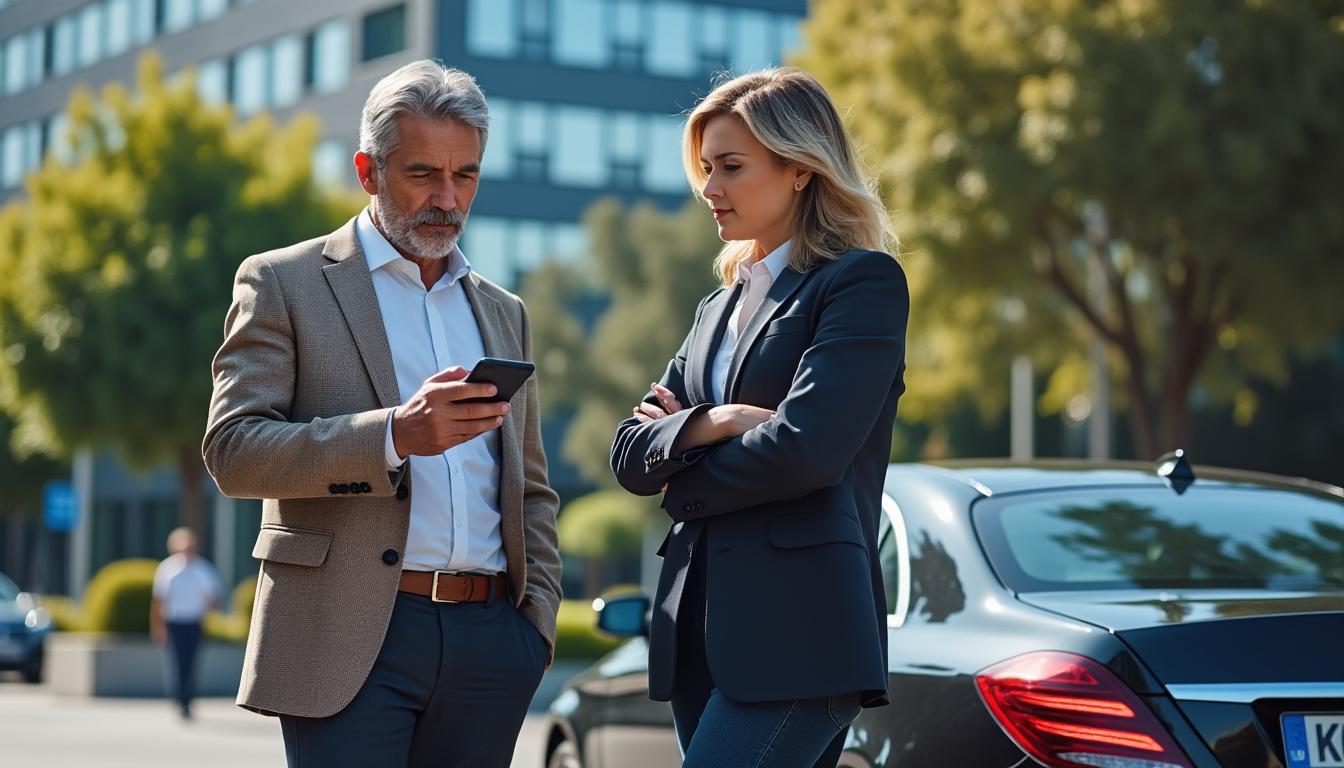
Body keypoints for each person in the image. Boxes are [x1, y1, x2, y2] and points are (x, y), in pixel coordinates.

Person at [203, 60, 562, 768]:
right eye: (423, 174)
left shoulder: (503, 311)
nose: (447, 198)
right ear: (368, 171)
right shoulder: (283, 282)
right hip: (346, 635)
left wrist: (534, 625)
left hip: (490, 641)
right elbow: (233, 450)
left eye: (466, 176)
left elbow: (531, 487)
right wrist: (394, 435)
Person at [610, 67, 909, 767]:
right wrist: (716, 421)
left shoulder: (860, 283)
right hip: (700, 633)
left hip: (802, 633)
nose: (710, 189)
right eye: (707, 168)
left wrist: (683, 475)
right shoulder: (716, 309)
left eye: (732, 167)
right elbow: (629, 452)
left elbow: (807, 449)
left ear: (800, 169)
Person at [152, 526, 221, 721]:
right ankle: (179, 698)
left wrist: (208, 615)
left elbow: (212, 596)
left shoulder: (203, 569)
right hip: (174, 621)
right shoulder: (167, 569)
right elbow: (159, 600)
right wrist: (158, 626)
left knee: (191, 662)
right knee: (177, 662)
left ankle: (188, 700)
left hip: (194, 622)